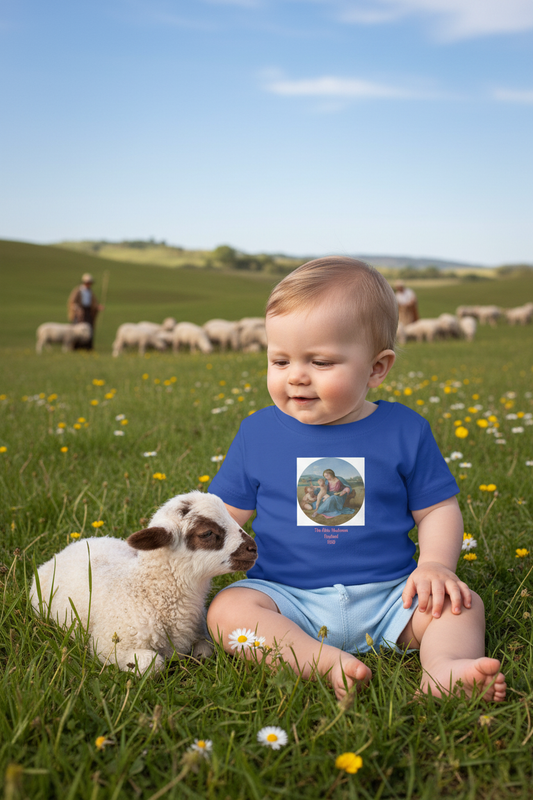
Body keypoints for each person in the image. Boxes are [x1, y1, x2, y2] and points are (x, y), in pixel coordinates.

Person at [207, 256, 506, 703]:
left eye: (321, 362)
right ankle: (321, 661)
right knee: (227, 610)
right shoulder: (257, 433)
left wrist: (436, 567)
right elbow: (223, 515)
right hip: (288, 598)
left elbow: (437, 509)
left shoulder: (405, 430)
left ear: (376, 368)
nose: (297, 376)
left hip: (391, 596)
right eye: (280, 360)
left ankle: (444, 669)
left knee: (461, 605)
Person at [67, 273, 103, 350]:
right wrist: (76, 308)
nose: (88, 284)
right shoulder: (78, 291)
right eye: (87, 283)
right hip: (79, 312)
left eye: (90, 283)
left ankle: (87, 346)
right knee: (77, 328)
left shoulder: (91, 292)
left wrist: (97, 307)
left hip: (88, 312)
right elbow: (72, 302)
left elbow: (94, 303)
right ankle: (76, 346)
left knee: (89, 328)